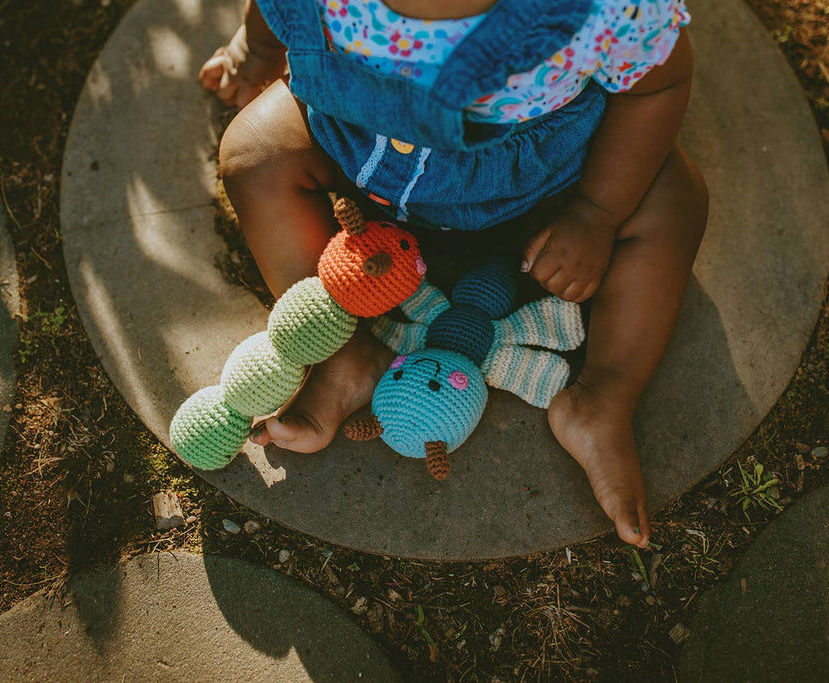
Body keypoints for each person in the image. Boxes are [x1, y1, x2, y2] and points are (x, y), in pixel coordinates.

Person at [199, 0, 708, 548]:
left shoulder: (602, 9)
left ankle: (604, 395)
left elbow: (657, 85)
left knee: (673, 199)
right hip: (369, 171)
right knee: (257, 152)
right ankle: (346, 356)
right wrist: (254, 51)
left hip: (552, 187)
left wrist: (598, 213)